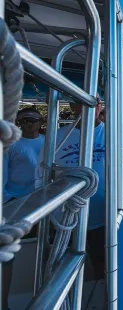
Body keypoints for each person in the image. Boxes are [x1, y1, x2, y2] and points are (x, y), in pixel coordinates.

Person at [35, 100, 123, 280]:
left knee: (103, 264)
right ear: (72, 106)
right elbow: (40, 177)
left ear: (100, 106)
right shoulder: (56, 137)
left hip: (103, 218)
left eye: (94, 102)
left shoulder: (115, 134)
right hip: (66, 218)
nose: (88, 106)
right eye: (80, 102)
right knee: (60, 267)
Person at [2, 107, 45, 309]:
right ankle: (4, 300)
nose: (29, 123)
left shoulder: (48, 140)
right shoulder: (12, 145)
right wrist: (9, 202)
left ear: (40, 121)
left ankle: (43, 294)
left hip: (44, 202)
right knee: (11, 253)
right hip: (16, 204)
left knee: (42, 247)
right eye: (24, 120)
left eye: (33, 120)